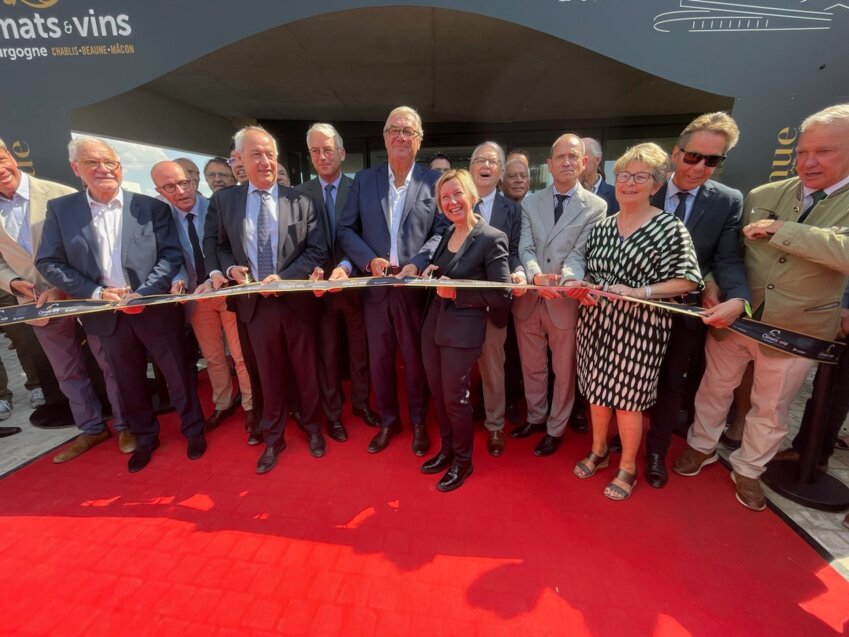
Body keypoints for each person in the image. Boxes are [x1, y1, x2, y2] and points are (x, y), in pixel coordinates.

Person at [673, 104, 849, 511]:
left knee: (772, 406)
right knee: (714, 388)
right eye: (802, 151)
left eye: (824, 152)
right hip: (738, 318)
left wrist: (782, 229)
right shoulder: (764, 195)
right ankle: (701, 446)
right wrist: (713, 284)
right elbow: (728, 253)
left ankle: (749, 469)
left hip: (796, 328)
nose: (808, 161)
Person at [36, 136, 206, 473]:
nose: (103, 169)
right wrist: (96, 292)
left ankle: (193, 431)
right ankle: (145, 438)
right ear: (75, 168)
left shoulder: (151, 207)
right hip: (105, 313)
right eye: (92, 162)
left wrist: (144, 292)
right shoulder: (61, 210)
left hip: (153, 308)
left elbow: (170, 255)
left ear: (121, 167)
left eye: (110, 162)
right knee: (127, 381)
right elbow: (49, 262)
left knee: (177, 374)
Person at [610, 112, 751, 488]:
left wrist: (738, 297)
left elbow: (727, 258)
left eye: (712, 160)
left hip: (683, 310)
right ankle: (623, 439)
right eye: (693, 156)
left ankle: (656, 451)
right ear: (676, 154)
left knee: (671, 382)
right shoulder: (638, 186)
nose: (699, 167)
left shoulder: (727, 201)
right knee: (628, 378)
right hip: (631, 312)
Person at [568, 143, 702, 500]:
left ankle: (627, 465)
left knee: (629, 402)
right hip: (595, 324)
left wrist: (640, 291)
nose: (628, 183)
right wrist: (585, 289)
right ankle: (598, 450)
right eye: (624, 176)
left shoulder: (669, 227)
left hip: (640, 329)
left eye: (639, 177)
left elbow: (688, 280)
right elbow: (591, 273)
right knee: (596, 394)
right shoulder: (602, 227)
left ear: (656, 184)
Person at [0, 138, 126, 461]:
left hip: (83, 294)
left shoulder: (59, 194)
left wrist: (65, 286)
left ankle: (126, 424)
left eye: (0, 159)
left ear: (10, 156)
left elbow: (92, 245)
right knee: (66, 372)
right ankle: (91, 428)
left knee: (109, 363)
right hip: (37, 304)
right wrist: (12, 282)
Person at [212, 126, 327, 474]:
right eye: (256, 155)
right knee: (268, 375)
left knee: (306, 372)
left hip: (295, 303)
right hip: (254, 306)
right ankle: (274, 438)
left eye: (270, 155)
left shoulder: (302, 201)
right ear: (239, 160)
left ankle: (313, 428)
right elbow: (218, 246)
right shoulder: (225, 201)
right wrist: (229, 268)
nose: (265, 162)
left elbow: (317, 251)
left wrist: (285, 278)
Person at [337, 105, 447, 455]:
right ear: (385, 138)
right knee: (380, 359)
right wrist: (368, 260)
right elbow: (345, 229)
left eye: (408, 131)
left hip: (414, 289)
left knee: (415, 360)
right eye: (394, 130)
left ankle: (418, 422)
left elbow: (442, 231)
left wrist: (417, 263)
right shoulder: (364, 180)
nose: (401, 136)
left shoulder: (433, 181)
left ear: (419, 140)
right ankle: (388, 420)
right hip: (376, 287)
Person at [510, 134, 606, 456]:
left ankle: (556, 427)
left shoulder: (596, 206)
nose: (567, 162)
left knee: (563, 371)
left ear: (584, 163)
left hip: (564, 300)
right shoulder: (530, 202)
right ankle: (536, 417)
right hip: (531, 296)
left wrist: (565, 281)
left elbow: (580, 254)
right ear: (549, 164)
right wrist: (536, 276)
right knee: (532, 365)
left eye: (573, 156)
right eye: (560, 157)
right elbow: (524, 246)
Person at [420, 169, 510, 491]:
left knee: (455, 399)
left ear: (471, 195)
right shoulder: (447, 232)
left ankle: (463, 461)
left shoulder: (491, 237)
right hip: (434, 322)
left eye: (457, 193)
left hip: (463, 328)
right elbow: (447, 272)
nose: (451, 202)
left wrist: (457, 292)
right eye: (444, 197)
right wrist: (433, 272)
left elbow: (502, 293)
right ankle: (447, 450)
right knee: (439, 395)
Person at [151, 161, 255, 433]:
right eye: (170, 187)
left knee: (240, 355)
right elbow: (169, 257)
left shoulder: (217, 207)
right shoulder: (163, 219)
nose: (180, 191)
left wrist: (214, 277)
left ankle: (251, 405)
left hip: (226, 289)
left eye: (184, 183)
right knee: (213, 356)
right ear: (159, 191)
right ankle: (223, 402)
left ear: (194, 181)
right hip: (196, 297)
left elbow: (227, 248)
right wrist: (177, 281)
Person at [296, 123, 378, 441]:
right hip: (318, 290)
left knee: (360, 352)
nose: (322, 156)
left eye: (328, 150)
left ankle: (361, 404)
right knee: (327, 356)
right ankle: (333, 415)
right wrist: (313, 271)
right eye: (315, 151)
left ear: (342, 153)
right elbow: (299, 243)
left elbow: (365, 234)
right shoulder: (299, 194)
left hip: (354, 284)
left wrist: (346, 265)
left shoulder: (360, 188)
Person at [468, 141, 525, 456]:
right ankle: (460, 419)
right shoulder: (458, 201)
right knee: (459, 367)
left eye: (492, 161)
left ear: (501, 172)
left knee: (493, 367)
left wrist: (519, 272)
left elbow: (514, 251)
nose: (486, 166)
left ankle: (494, 425)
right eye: (480, 160)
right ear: (471, 168)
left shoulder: (513, 209)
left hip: (495, 302)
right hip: (461, 301)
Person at [580, 137, 619, 214]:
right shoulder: (563, 193)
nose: (574, 162)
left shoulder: (616, 195)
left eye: (581, 157)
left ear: (597, 159)